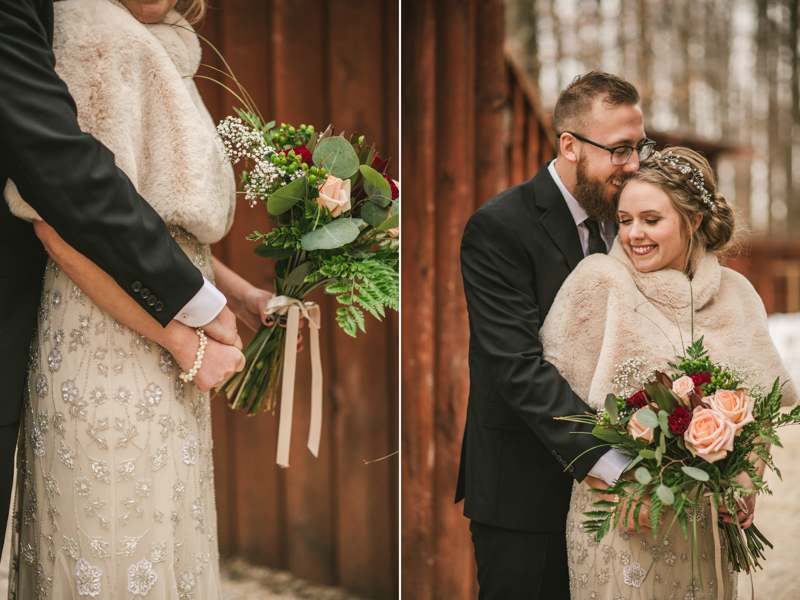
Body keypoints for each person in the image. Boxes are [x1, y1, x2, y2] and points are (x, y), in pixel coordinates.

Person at [3, 0, 280, 597]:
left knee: (166, 539)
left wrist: (243, 293)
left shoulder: (166, 43)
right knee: (114, 547)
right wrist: (180, 338)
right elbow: (63, 222)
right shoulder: (90, 33)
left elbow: (156, 227)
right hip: (109, 341)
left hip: (168, 335)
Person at [540, 147, 798, 598]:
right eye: (624, 220)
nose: (633, 234)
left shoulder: (737, 294)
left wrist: (744, 481)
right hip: (623, 518)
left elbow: (764, 407)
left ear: (693, 220)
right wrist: (620, 477)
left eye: (650, 219)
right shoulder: (597, 282)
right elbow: (555, 406)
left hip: (708, 527)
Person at [457, 71, 655, 598]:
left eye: (640, 147)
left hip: (634, 498)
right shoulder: (499, 227)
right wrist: (610, 462)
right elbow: (517, 365)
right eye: (619, 150)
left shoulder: (635, 220)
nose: (634, 164)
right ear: (570, 145)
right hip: (526, 493)